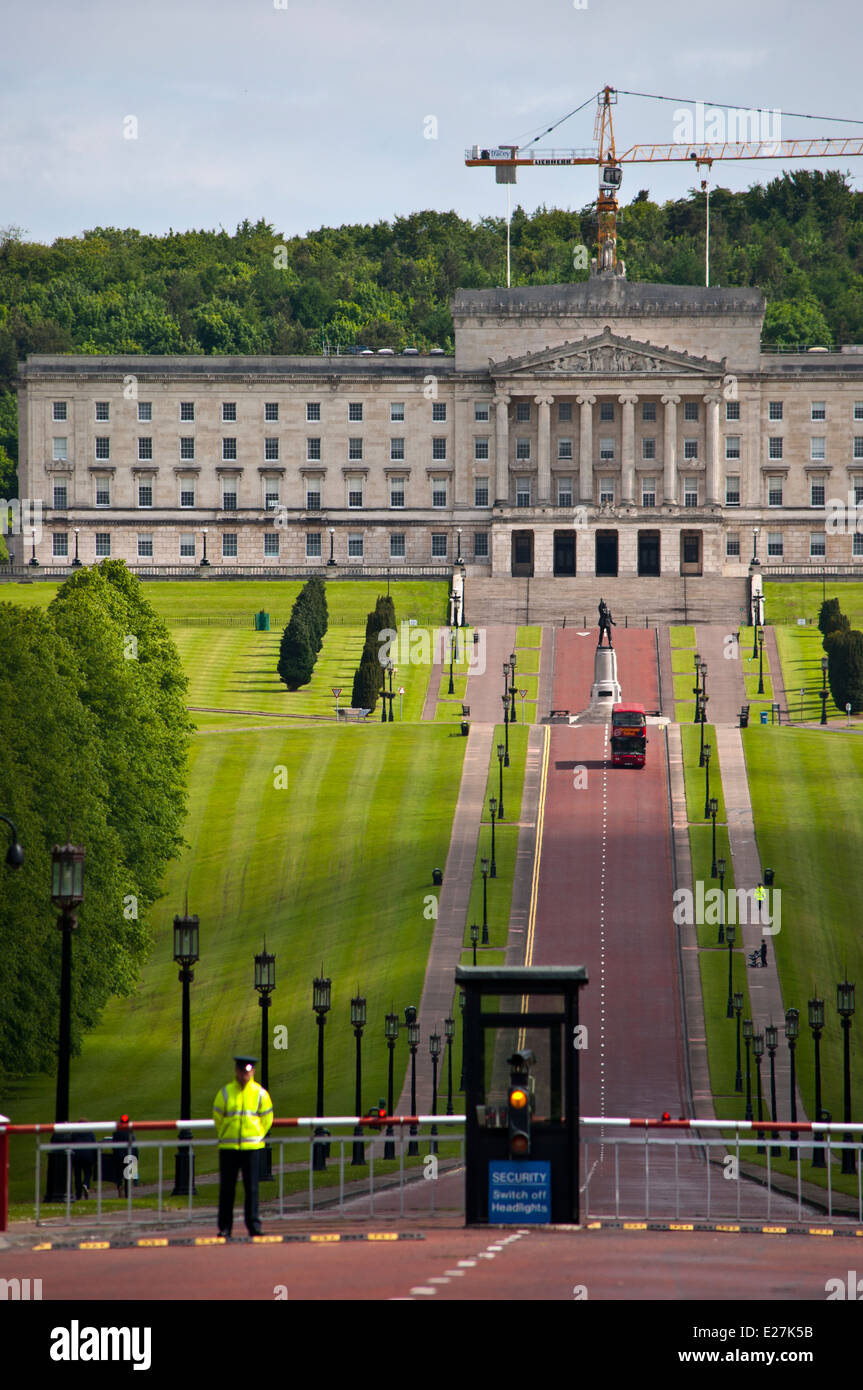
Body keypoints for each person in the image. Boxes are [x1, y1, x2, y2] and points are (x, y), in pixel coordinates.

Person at [213, 1055, 273, 1239]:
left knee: (252, 1189)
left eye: (247, 1071)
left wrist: (257, 1135)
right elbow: (218, 1116)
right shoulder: (226, 1092)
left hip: (252, 1147)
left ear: (252, 1071)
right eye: (241, 1071)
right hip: (229, 1147)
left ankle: (253, 1225)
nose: (244, 1075)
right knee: (227, 1190)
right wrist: (225, 1132)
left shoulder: (260, 1093)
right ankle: (224, 1227)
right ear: (236, 1071)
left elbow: (267, 1118)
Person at [72, 1117, 96, 1200]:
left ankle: (78, 1194)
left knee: (77, 1175)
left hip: (77, 1156)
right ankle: (86, 1184)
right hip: (88, 1156)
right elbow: (94, 1146)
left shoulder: (74, 1133)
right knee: (88, 1173)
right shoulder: (90, 1133)